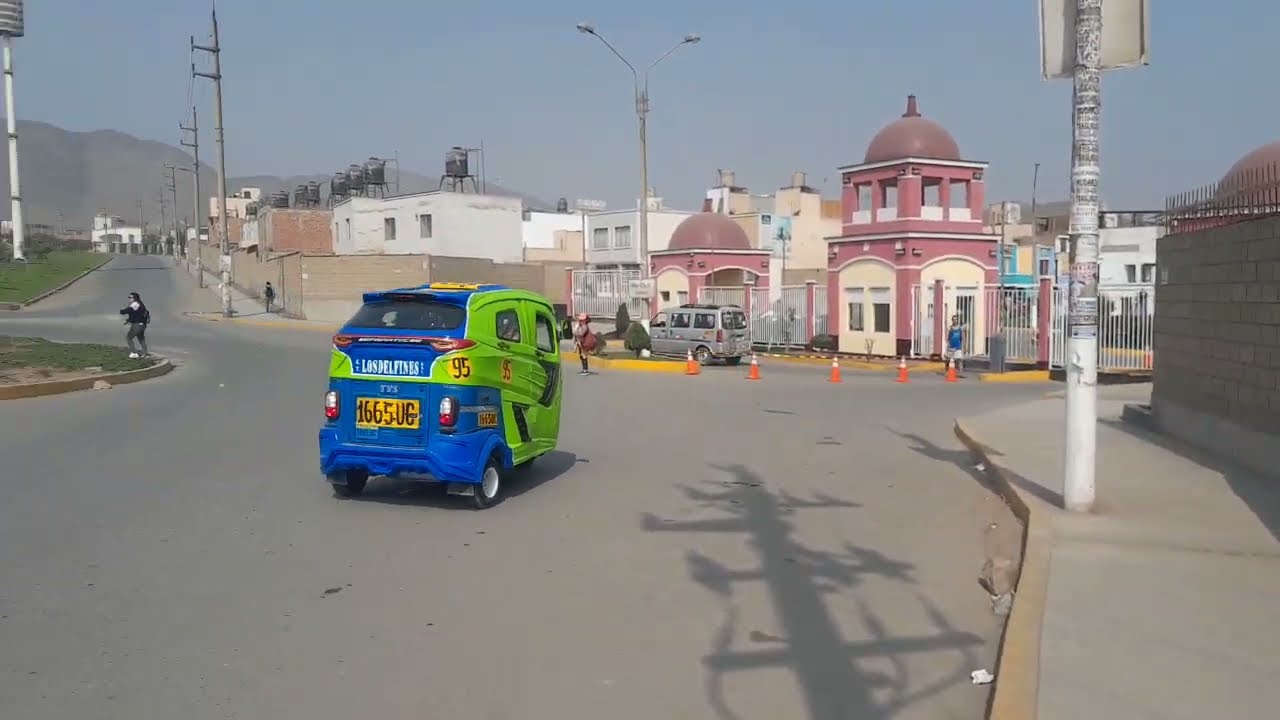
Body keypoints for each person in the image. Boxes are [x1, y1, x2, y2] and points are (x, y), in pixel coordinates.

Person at [119, 291, 150, 359]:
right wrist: (127, 320)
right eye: (128, 297)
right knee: (141, 339)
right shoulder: (140, 305)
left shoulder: (135, 304)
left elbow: (127, 311)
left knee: (129, 338)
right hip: (142, 325)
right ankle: (145, 354)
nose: (129, 299)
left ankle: (133, 353)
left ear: (135, 298)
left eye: (130, 297)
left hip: (137, 325)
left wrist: (121, 311)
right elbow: (135, 315)